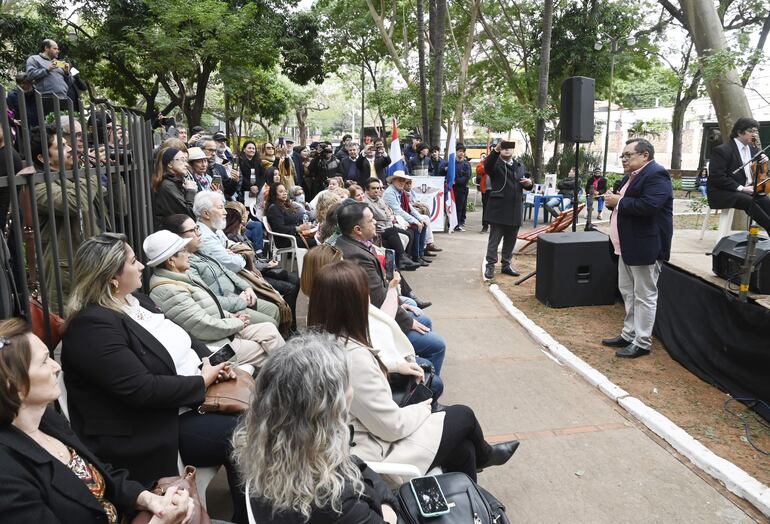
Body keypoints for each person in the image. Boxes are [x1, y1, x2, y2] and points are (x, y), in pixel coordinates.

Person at [61, 233, 246, 521]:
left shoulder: (138, 301)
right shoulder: (92, 326)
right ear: (111, 278)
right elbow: (142, 389)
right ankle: (256, 513)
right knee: (249, 432)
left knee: (258, 413)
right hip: (155, 425)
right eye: (133, 261)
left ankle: (254, 509)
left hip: (185, 401)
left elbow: (184, 337)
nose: (142, 267)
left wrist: (210, 363)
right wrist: (202, 380)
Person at [308, 261, 519, 481]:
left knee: (464, 448)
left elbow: (360, 378)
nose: (369, 300)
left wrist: (394, 365)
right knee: (462, 415)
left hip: (356, 443)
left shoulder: (321, 344)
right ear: (353, 304)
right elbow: (391, 426)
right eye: (366, 294)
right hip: (373, 457)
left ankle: (471, 499)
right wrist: (424, 410)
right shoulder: (353, 357)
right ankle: (485, 456)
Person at [0, 319, 194, 523]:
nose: (56, 366)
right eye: (44, 361)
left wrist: (149, 500)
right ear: (13, 384)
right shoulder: (6, 473)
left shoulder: (47, 421)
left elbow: (102, 475)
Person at [232, 332, 400, 523]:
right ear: (326, 408)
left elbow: (353, 462)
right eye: (346, 383)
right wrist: (388, 508)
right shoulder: (336, 501)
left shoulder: (259, 449)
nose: (351, 389)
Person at [300, 245, 441, 398]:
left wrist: (393, 291)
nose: (348, 267)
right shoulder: (337, 310)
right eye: (341, 265)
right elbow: (358, 361)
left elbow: (378, 318)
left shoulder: (332, 301)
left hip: (385, 357)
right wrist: (395, 366)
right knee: (435, 370)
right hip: (382, 368)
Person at [144, 230, 284, 367]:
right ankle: (289, 383)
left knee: (269, 329)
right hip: (213, 347)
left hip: (224, 331)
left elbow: (211, 305)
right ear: (171, 260)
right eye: (184, 251)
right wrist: (237, 323)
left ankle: (290, 379)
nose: (188, 254)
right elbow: (202, 325)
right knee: (266, 354)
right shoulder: (169, 290)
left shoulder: (182, 276)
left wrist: (231, 317)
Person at [334, 202, 446, 374]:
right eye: (371, 221)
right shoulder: (356, 255)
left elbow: (380, 289)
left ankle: (415, 362)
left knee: (421, 316)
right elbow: (378, 298)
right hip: (372, 323)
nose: (375, 224)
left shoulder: (353, 244)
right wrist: (408, 321)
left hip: (376, 311)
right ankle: (424, 387)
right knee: (437, 344)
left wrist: (400, 304)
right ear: (357, 229)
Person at [602, 138, 673, 359]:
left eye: (628, 155)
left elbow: (649, 205)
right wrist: (612, 201)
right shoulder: (630, 177)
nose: (624, 159)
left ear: (645, 155)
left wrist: (619, 202)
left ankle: (642, 341)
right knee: (628, 293)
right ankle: (628, 333)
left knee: (644, 295)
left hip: (645, 246)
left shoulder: (656, 175)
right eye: (622, 155)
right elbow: (624, 202)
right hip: (626, 246)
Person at [28, 125, 102, 313]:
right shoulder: (38, 185)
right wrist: (93, 174)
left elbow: (121, 209)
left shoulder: (72, 178)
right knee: (70, 324)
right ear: (43, 158)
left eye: (66, 143)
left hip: (93, 264)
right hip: (66, 274)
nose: (69, 148)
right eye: (60, 146)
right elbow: (75, 203)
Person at [164, 214, 284, 329]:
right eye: (193, 230)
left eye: (197, 228)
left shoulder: (202, 248)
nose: (199, 233)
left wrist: (247, 287)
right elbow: (207, 299)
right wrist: (240, 301)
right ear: (177, 237)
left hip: (237, 295)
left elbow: (225, 269)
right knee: (271, 323)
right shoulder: (185, 264)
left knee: (274, 309)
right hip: (227, 306)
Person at [707, 117, 770, 232]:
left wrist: (764, 161)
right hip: (723, 192)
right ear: (739, 132)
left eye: (756, 132)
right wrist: (742, 188)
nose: (754, 135)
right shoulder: (722, 150)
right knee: (748, 201)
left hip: (746, 191)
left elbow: (756, 172)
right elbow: (717, 177)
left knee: (766, 201)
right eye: (751, 131)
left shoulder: (752, 149)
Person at [483, 140, 532, 279]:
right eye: (503, 148)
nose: (506, 150)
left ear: (513, 151)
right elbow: (487, 167)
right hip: (498, 209)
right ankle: (490, 265)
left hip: (515, 209)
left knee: (511, 240)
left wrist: (530, 184)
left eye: (509, 148)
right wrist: (495, 150)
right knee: (494, 241)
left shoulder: (519, 165)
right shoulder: (495, 164)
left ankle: (506, 265)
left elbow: (525, 183)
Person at [364, 177, 419, 270]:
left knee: (409, 233)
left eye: (378, 188)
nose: (377, 190)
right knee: (393, 232)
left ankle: (405, 260)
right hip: (377, 228)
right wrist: (388, 217)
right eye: (373, 188)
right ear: (367, 189)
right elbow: (382, 216)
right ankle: (401, 260)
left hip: (387, 225)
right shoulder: (366, 202)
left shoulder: (379, 199)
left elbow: (388, 213)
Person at [194, 190, 247, 273]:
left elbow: (229, 244)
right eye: (220, 208)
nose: (225, 212)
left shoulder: (216, 229)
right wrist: (243, 255)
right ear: (206, 214)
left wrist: (230, 250)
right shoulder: (205, 237)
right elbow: (236, 265)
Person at [152, 147, 196, 230]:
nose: (186, 164)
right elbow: (190, 216)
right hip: (175, 234)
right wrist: (191, 191)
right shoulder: (167, 186)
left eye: (186, 160)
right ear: (170, 163)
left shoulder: (175, 182)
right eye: (182, 160)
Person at [25, 39, 72, 114]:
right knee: (49, 124)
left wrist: (67, 73)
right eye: (55, 48)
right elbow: (30, 75)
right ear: (46, 48)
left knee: (64, 123)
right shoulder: (34, 59)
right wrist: (47, 69)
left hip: (63, 97)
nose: (57, 51)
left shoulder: (58, 63)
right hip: (46, 97)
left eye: (58, 49)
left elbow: (70, 83)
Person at [266, 183, 318, 249]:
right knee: (316, 243)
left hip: (294, 235)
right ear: (274, 194)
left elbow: (292, 221)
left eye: (285, 191)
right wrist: (298, 228)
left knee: (318, 238)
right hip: (286, 239)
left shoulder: (286, 205)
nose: (284, 193)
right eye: (281, 192)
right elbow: (279, 229)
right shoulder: (274, 208)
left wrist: (307, 226)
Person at [441, 144, 472, 230]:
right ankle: (450, 223)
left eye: (463, 151)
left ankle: (458, 223)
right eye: (459, 151)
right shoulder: (451, 163)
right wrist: (445, 169)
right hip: (451, 189)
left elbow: (467, 177)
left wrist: (456, 181)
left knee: (460, 207)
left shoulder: (466, 164)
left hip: (462, 189)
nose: (461, 153)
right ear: (456, 152)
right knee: (451, 206)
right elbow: (442, 171)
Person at [477, 152, 491, 233]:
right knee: (485, 208)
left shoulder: (498, 162)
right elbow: (479, 170)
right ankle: (485, 226)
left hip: (496, 190)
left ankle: (494, 226)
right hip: (485, 189)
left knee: (495, 208)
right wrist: (487, 166)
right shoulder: (483, 162)